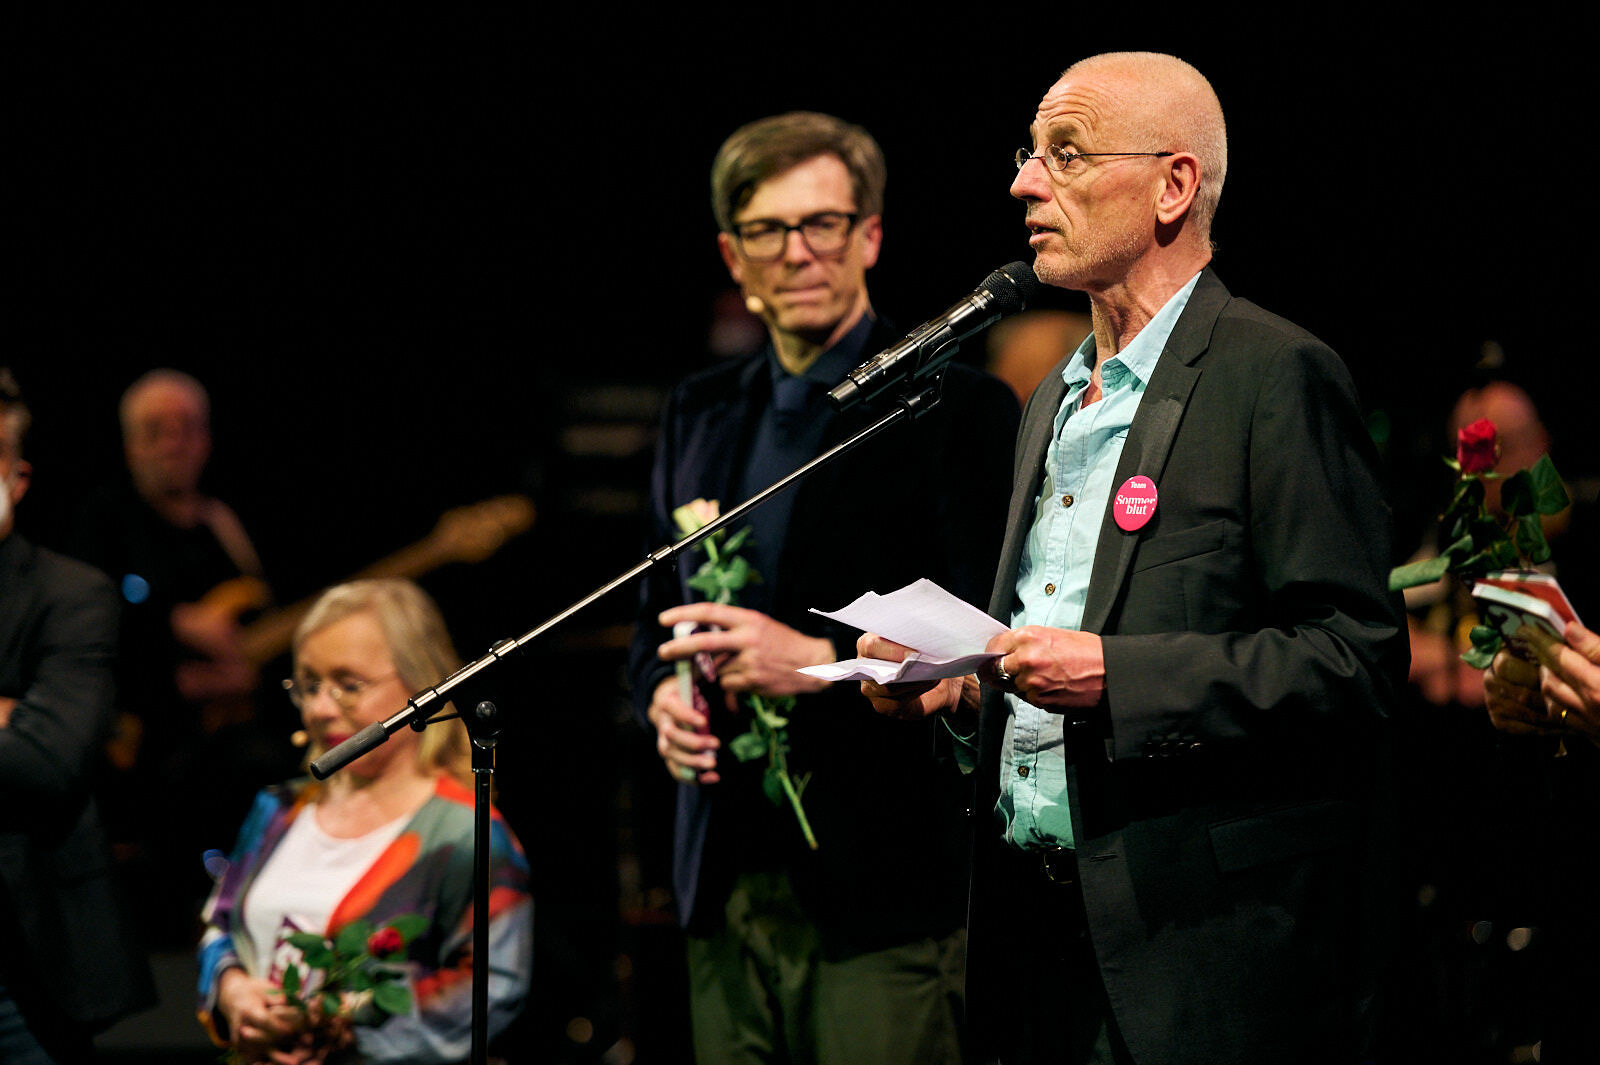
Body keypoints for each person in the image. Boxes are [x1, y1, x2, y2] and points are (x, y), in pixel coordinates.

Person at [859, 53, 1407, 1065]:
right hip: (1033, 934)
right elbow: (1046, 657)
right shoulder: (1052, 398)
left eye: (1066, 154)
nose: (1026, 183)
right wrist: (963, 693)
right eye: (1028, 154)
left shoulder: (1275, 374)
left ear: (1172, 185)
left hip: (1195, 953)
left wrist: (1117, 677)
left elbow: (1354, 660)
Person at [629, 111, 1019, 1064]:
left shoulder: (953, 404)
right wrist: (660, 698)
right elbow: (651, 622)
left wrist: (816, 661)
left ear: (870, 236)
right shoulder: (698, 411)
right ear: (734, 254)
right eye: (768, 229)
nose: (797, 251)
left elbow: (992, 638)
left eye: (823, 224)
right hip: (722, 878)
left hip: (880, 884)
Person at [197, 579, 532, 1064]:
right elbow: (220, 922)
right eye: (308, 686)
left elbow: (494, 985)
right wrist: (231, 990)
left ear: (422, 686)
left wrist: (343, 1028)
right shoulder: (279, 807)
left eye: (348, 685)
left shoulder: (463, 832)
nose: (320, 708)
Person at [71, 368, 284, 945]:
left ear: (206, 439)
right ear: (130, 445)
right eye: (155, 430)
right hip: (146, 754)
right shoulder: (104, 520)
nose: (173, 443)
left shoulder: (223, 524)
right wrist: (175, 628)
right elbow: (92, 628)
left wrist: (246, 674)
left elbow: (262, 623)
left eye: (186, 428)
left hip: (232, 738)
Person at [0, 367, 155, 1063]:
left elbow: (48, 761)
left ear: (18, 477)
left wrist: (26, 730)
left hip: (23, 967)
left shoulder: (71, 593)